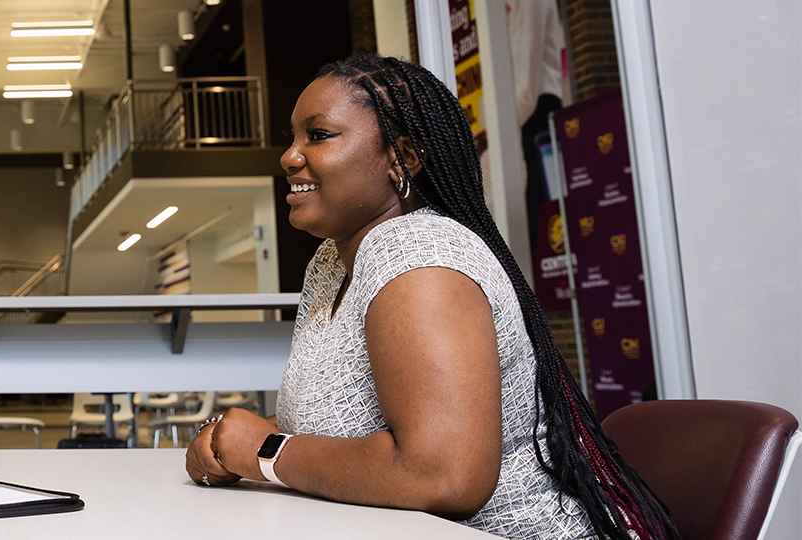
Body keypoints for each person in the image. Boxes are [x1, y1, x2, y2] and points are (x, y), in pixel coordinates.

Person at [183, 55, 677, 539]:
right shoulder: (333, 262)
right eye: (293, 137)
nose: (290, 155)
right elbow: (353, 427)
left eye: (318, 135)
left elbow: (445, 475)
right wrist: (235, 441)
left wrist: (266, 451)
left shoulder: (420, 256)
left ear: (403, 157)